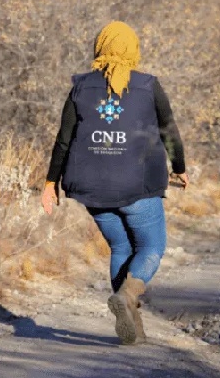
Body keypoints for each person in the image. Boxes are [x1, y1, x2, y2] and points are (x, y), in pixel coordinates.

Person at [41, 21, 188, 345]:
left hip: (92, 189)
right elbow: (169, 131)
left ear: (100, 47)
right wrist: (180, 167)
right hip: (138, 187)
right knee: (151, 247)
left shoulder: (80, 87)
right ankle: (129, 294)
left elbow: (63, 140)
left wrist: (50, 183)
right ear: (132, 48)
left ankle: (132, 323)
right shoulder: (148, 85)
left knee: (121, 246)